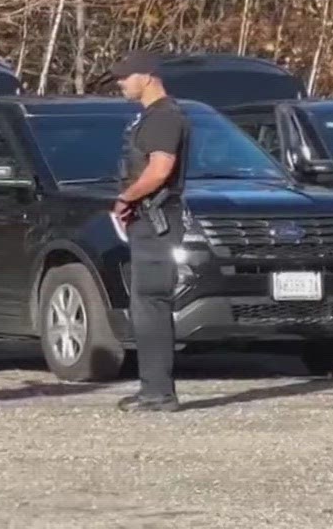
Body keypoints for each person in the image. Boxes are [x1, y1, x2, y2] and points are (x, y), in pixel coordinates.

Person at [109, 49, 190, 413]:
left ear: (148, 76)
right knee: (145, 305)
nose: (121, 83)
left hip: (157, 220)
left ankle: (159, 392)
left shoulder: (164, 117)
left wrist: (126, 198)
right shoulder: (150, 118)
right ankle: (152, 388)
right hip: (147, 220)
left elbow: (160, 170)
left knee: (152, 304)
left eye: (126, 76)